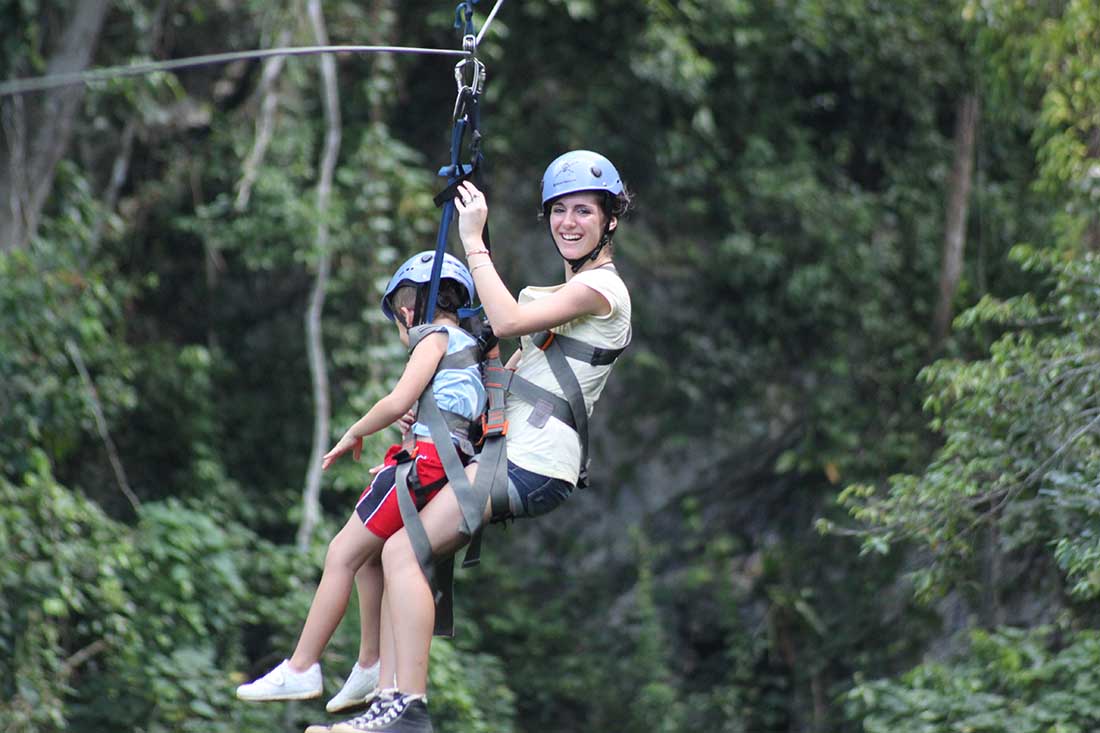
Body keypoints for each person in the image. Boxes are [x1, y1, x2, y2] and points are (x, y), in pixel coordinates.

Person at [326, 150, 633, 733]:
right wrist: (430, 418)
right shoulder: (551, 298)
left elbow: (511, 322)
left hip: (534, 461)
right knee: (396, 543)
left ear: (609, 219)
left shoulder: (602, 292)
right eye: (560, 211)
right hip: (507, 452)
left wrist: (474, 242)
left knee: (401, 550)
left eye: (584, 212)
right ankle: (389, 699)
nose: (569, 223)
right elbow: (502, 373)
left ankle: (404, 708)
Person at [235, 251, 487, 717]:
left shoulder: (431, 337)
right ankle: (371, 662)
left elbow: (397, 400)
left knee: (341, 554)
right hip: (446, 464)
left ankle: (303, 664)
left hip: (425, 465)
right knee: (373, 558)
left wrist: (356, 430)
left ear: (407, 311)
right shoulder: (469, 347)